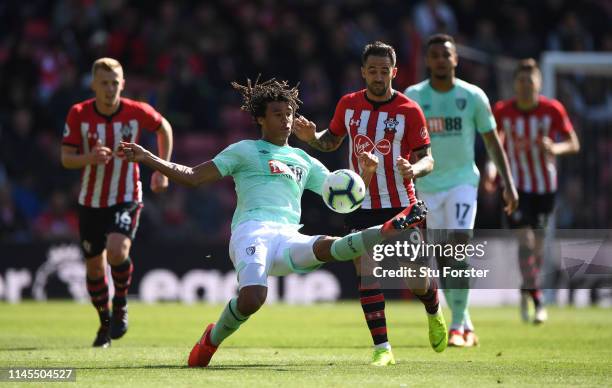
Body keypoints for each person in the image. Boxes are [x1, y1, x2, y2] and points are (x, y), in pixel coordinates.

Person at [118, 77, 431, 367]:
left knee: (332, 247)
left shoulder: (303, 159)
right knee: (253, 298)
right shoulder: (244, 151)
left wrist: (365, 175)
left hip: (289, 236)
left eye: (290, 114)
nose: (286, 120)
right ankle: (211, 340)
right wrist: (149, 157)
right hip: (251, 232)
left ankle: (391, 228)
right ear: (260, 119)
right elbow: (194, 177)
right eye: (278, 114)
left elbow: (342, 200)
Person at [293, 41, 447, 366]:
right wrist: (311, 139)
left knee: (414, 277)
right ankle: (382, 348)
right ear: (363, 72)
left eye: (384, 70)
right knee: (366, 273)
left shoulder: (409, 110)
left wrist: (413, 168)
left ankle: (433, 308)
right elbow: (331, 141)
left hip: (403, 204)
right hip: (360, 204)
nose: (378, 77)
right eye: (372, 70)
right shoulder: (348, 105)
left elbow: (427, 160)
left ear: (394, 71)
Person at [404, 34, 518, 347]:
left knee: (458, 246)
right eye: (435, 55)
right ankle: (464, 318)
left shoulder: (472, 96)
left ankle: (456, 325)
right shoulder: (413, 96)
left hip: (462, 183)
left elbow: (492, 141)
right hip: (427, 185)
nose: (441, 60)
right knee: (442, 257)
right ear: (427, 61)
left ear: (456, 59)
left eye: (446, 55)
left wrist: (508, 183)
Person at [61, 58, 173, 347]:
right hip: (90, 201)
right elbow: (66, 158)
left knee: (116, 250)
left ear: (123, 84)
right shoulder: (79, 114)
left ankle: (121, 303)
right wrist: (90, 158)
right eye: (104, 83)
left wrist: (161, 169)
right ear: (94, 85)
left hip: (126, 196)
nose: (110, 88)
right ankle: (105, 324)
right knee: (95, 269)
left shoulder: (136, 111)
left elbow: (164, 128)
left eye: (115, 82)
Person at [489, 58, 579, 324]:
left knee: (536, 249)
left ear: (539, 83)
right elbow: (496, 143)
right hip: (515, 187)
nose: (526, 85)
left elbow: (573, 143)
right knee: (525, 242)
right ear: (514, 84)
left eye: (531, 80)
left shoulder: (552, 109)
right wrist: (492, 172)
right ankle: (538, 298)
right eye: (521, 80)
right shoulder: (503, 111)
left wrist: (555, 148)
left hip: (544, 188)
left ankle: (527, 288)